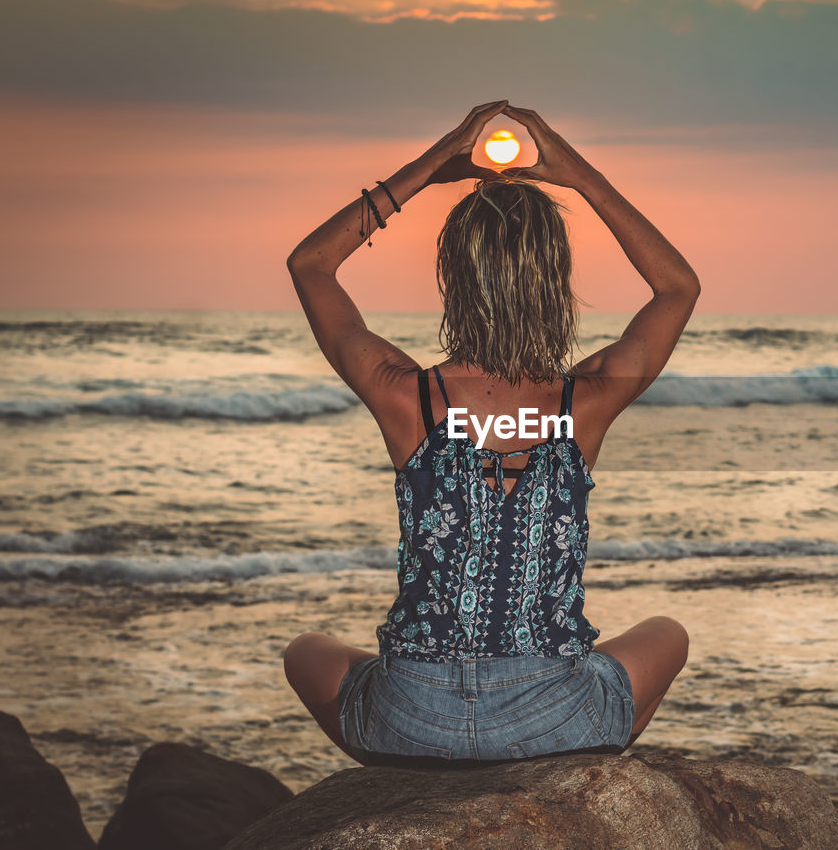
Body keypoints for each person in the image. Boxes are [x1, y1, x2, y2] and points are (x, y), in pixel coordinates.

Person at [282, 100, 698, 766]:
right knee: (667, 634)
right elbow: (677, 287)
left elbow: (310, 264)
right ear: (553, 282)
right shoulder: (583, 401)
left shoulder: (404, 394)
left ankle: (420, 755)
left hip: (411, 713)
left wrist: (432, 167)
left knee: (304, 651)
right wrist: (578, 176)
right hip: (553, 715)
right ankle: (576, 760)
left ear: (455, 277)